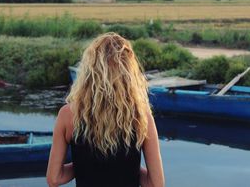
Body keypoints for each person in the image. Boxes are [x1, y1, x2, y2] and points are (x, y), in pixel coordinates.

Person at [46, 32, 164, 187]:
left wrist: (83, 165)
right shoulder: (141, 116)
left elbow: (54, 178)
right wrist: (128, 168)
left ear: (89, 72)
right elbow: (156, 184)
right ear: (128, 73)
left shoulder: (68, 115)